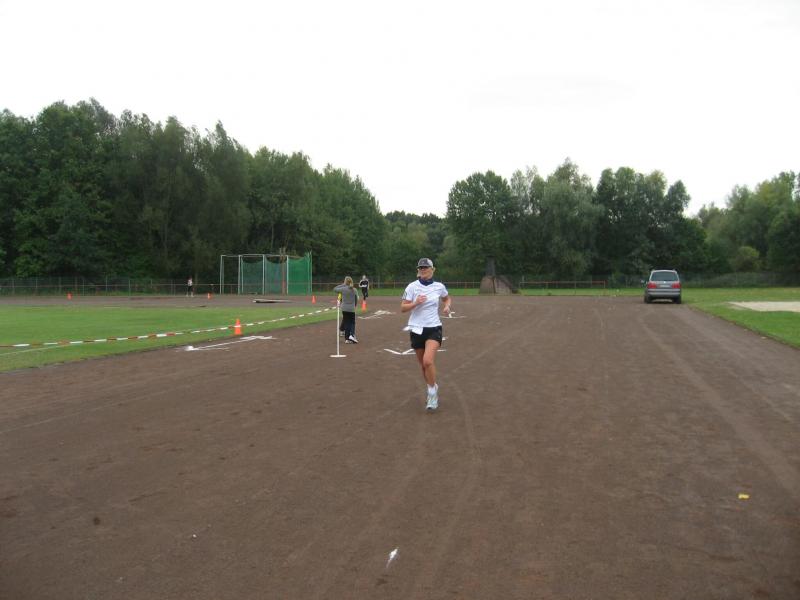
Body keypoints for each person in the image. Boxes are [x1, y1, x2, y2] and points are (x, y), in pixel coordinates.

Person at [401, 258, 451, 411]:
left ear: (432, 269)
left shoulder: (439, 287)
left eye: (425, 267)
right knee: (423, 366)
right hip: (416, 329)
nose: (423, 269)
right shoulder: (412, 287)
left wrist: (447, 306)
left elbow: (447, 298)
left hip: (434, 328)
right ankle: (432, 386)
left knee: (428, 361)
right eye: (420, 268)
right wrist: (416, 302)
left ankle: (432, 393)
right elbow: (403, 308)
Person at [333, 276, 360, 343]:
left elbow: (335, 289)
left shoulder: (343, 289)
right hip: (351, 308)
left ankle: (347, 339)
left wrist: (343, 284)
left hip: (344, 308)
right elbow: (356, 299)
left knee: (347, 323)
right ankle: (352, 335)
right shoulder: (354, 290)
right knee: (352, 322)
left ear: (345, 282)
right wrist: (354, 306)